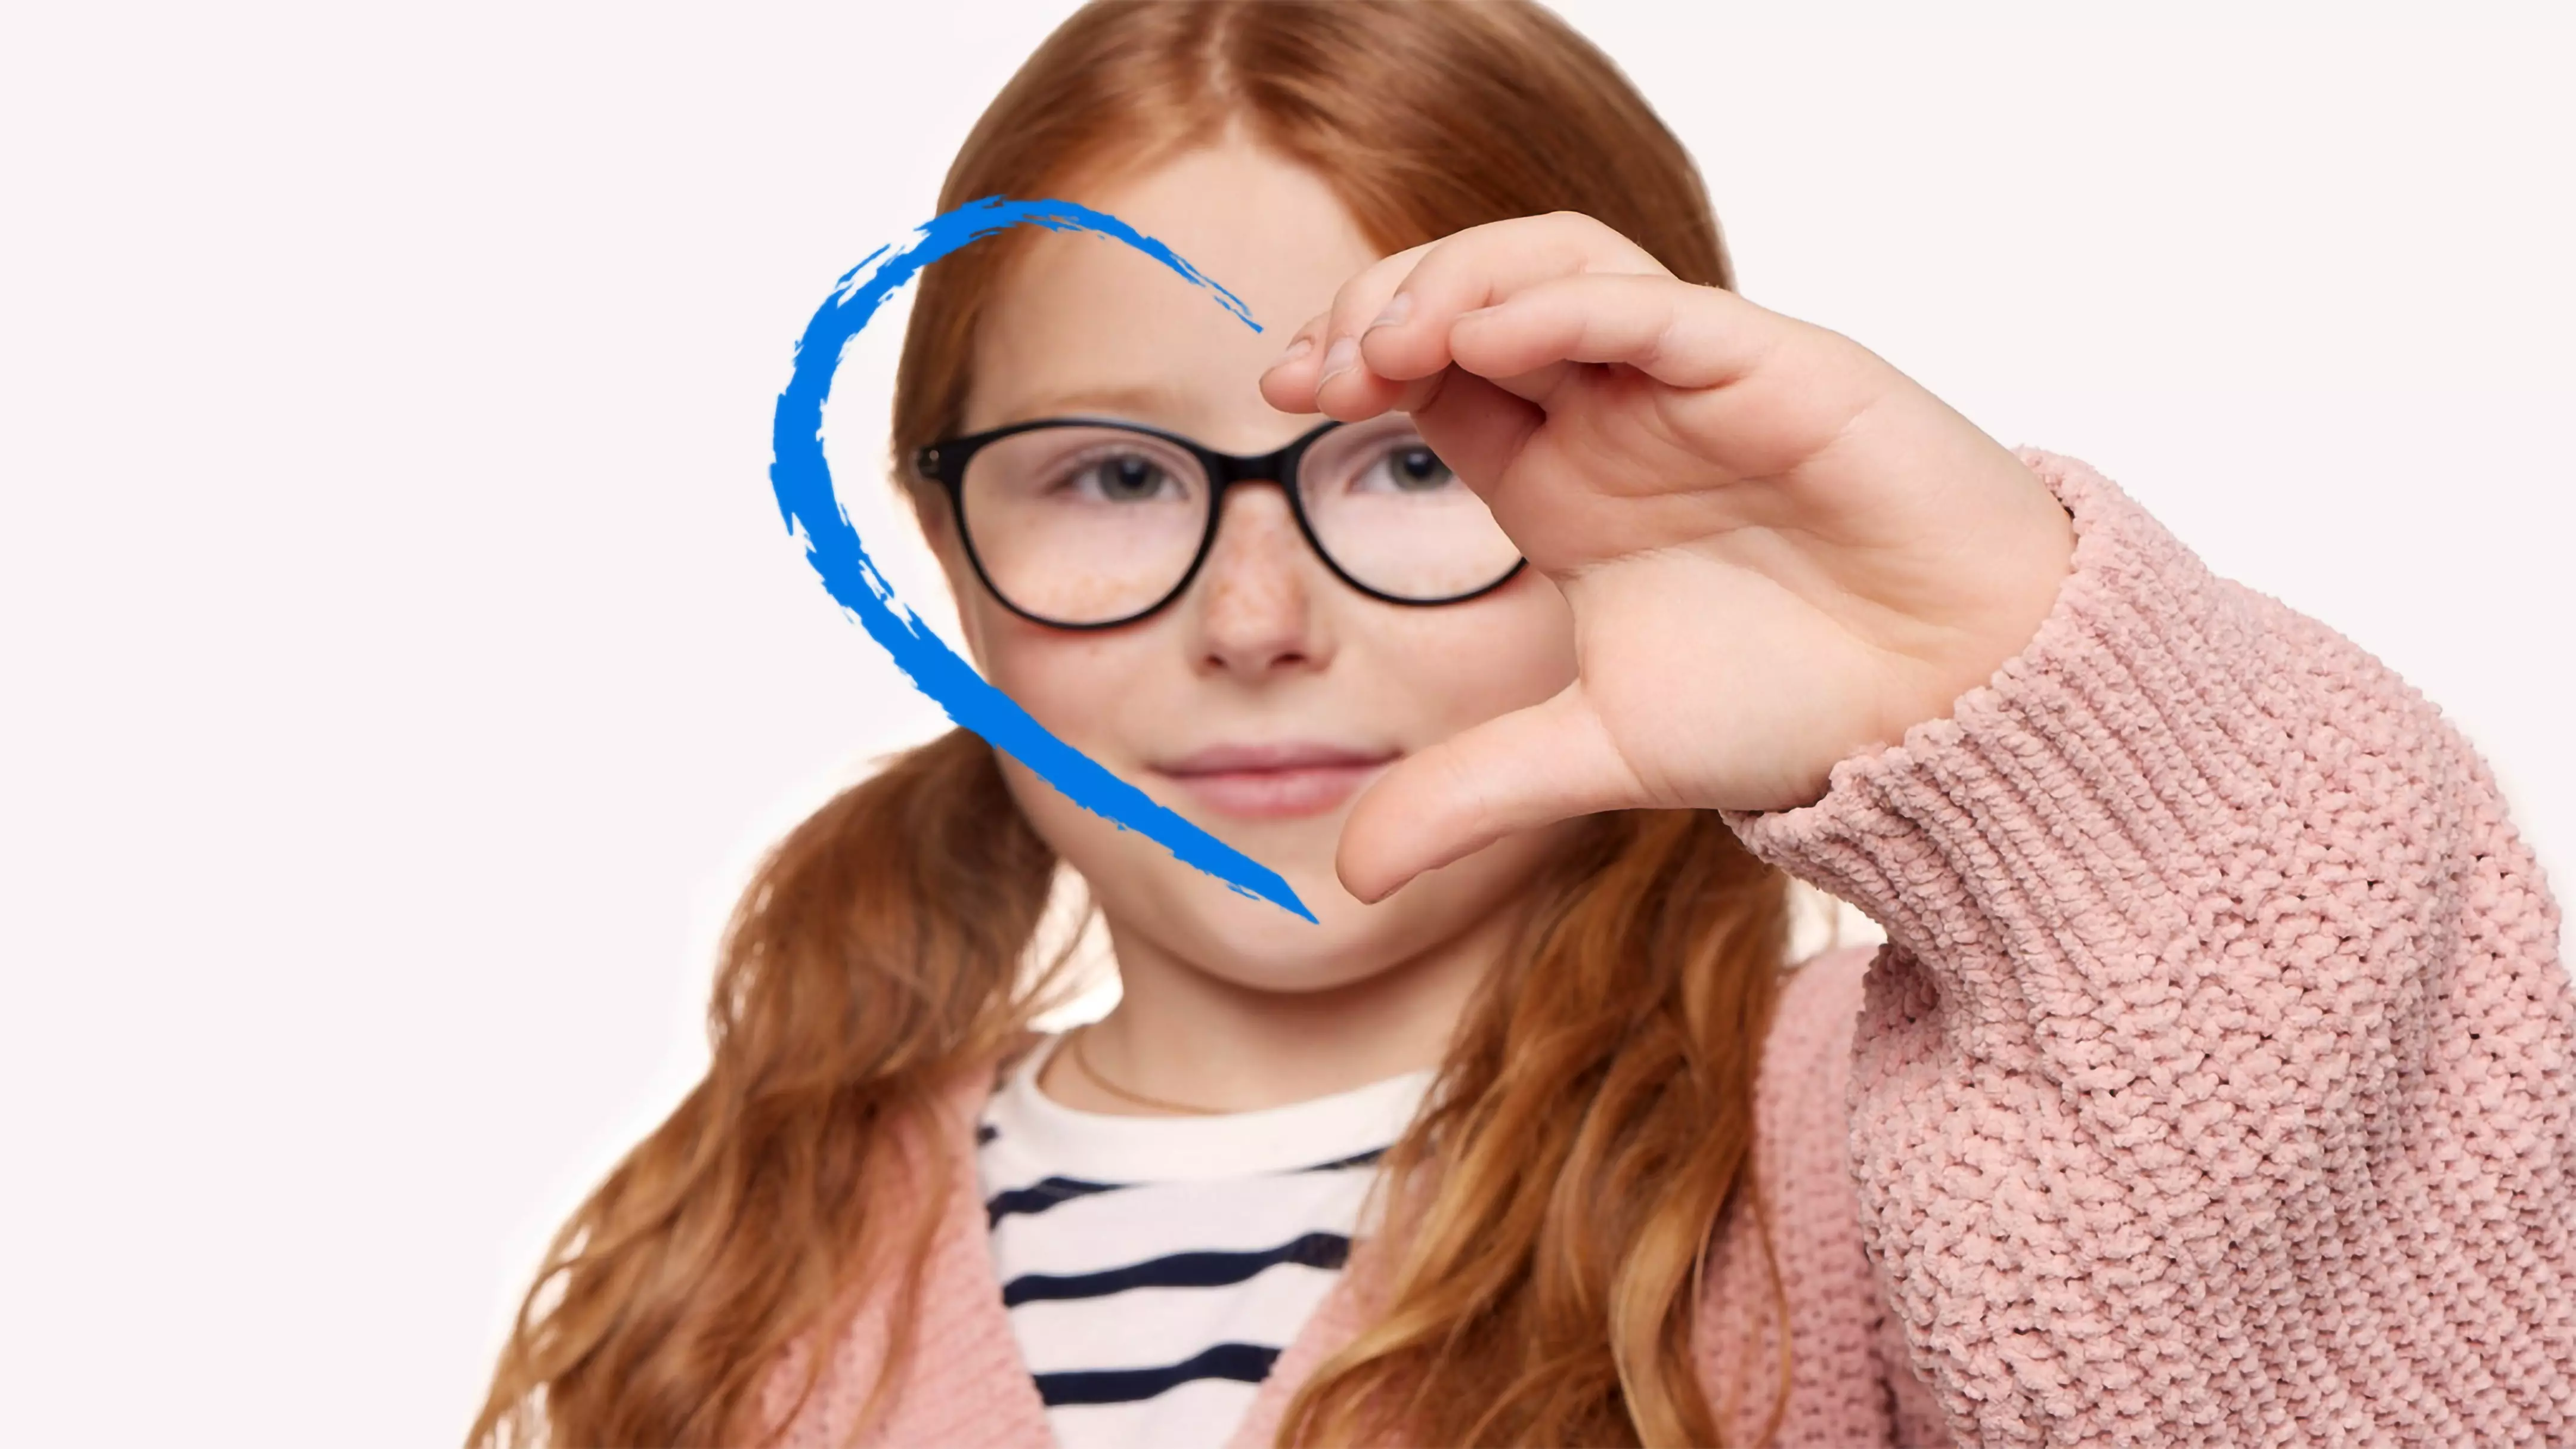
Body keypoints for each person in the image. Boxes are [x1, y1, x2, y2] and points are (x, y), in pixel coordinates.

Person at [468, 3, 2574, 1445]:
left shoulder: (1905, 1143)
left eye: (1414, 469)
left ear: (1652, 502)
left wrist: (2046, 716)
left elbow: (2397, 1330)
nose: (1257, 617)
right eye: (1113, 479)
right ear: (945, 546)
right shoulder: (731, 1259)